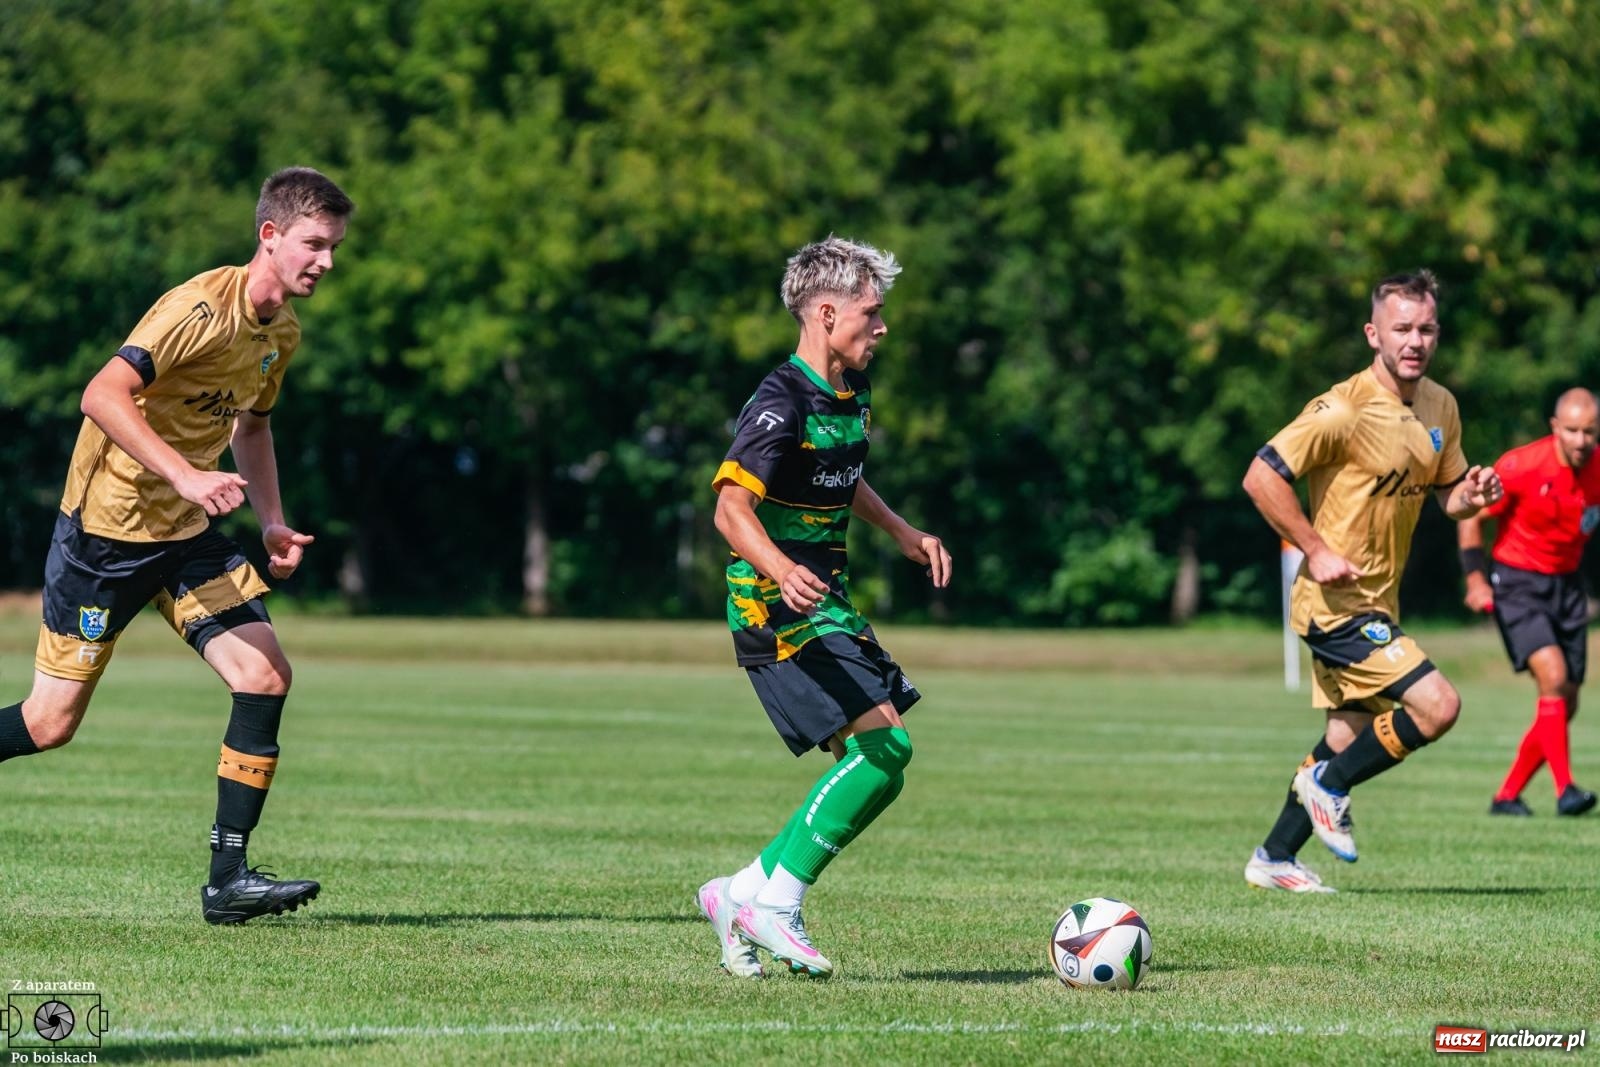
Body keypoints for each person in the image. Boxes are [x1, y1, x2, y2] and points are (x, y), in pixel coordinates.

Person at [0, 167, 353, 924]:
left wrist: (270, 522)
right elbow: (101, 393)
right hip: (107, 537)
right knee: (47, 723)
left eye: (334, 247)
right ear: (270, 236)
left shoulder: (280, 332)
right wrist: (186, 475)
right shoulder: (197, 307)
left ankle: (229, 881)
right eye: (314, 244)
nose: (326, 261)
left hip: (187, 539)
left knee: (264, 674)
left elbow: (252, 428)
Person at [695, 236, 952, 978]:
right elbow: (731, 509)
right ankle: (775, 902)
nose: (882, 328)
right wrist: (780, 566)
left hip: (824, 600)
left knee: (884, 763)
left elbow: (843, 475)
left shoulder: (850, 392)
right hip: (773, 608)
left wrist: (901, 529)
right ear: (827, 311)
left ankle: (739, 891)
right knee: (888, 748)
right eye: (872, 314)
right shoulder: (779, 400)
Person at [1239, 270, 1502, 893]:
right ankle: (1328, 787)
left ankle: (1273, 857)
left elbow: (1449, 498)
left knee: (1346, 734)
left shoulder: (1441, 405)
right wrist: (1316, 547)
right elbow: (1260, 477)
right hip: (1334, 604)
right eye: (1402, 328)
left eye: (1426, 328)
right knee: (1439, 706)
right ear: (1373, 334)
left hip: (1378, 599)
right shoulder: (1342, 408)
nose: (1415, 340)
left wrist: (1474, 493)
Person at [1459, 389, 1600, 818]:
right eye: (1572, 431)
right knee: (1553, 678)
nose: (1580, 441)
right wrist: (1476, 580)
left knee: (1566, 701)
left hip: (1567, 584)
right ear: (1556, 428)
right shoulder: (1522, 466)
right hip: (1517, 582)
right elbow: (1472, 520)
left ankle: (1506, 797)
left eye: (1589, 432)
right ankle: (1565, 791)